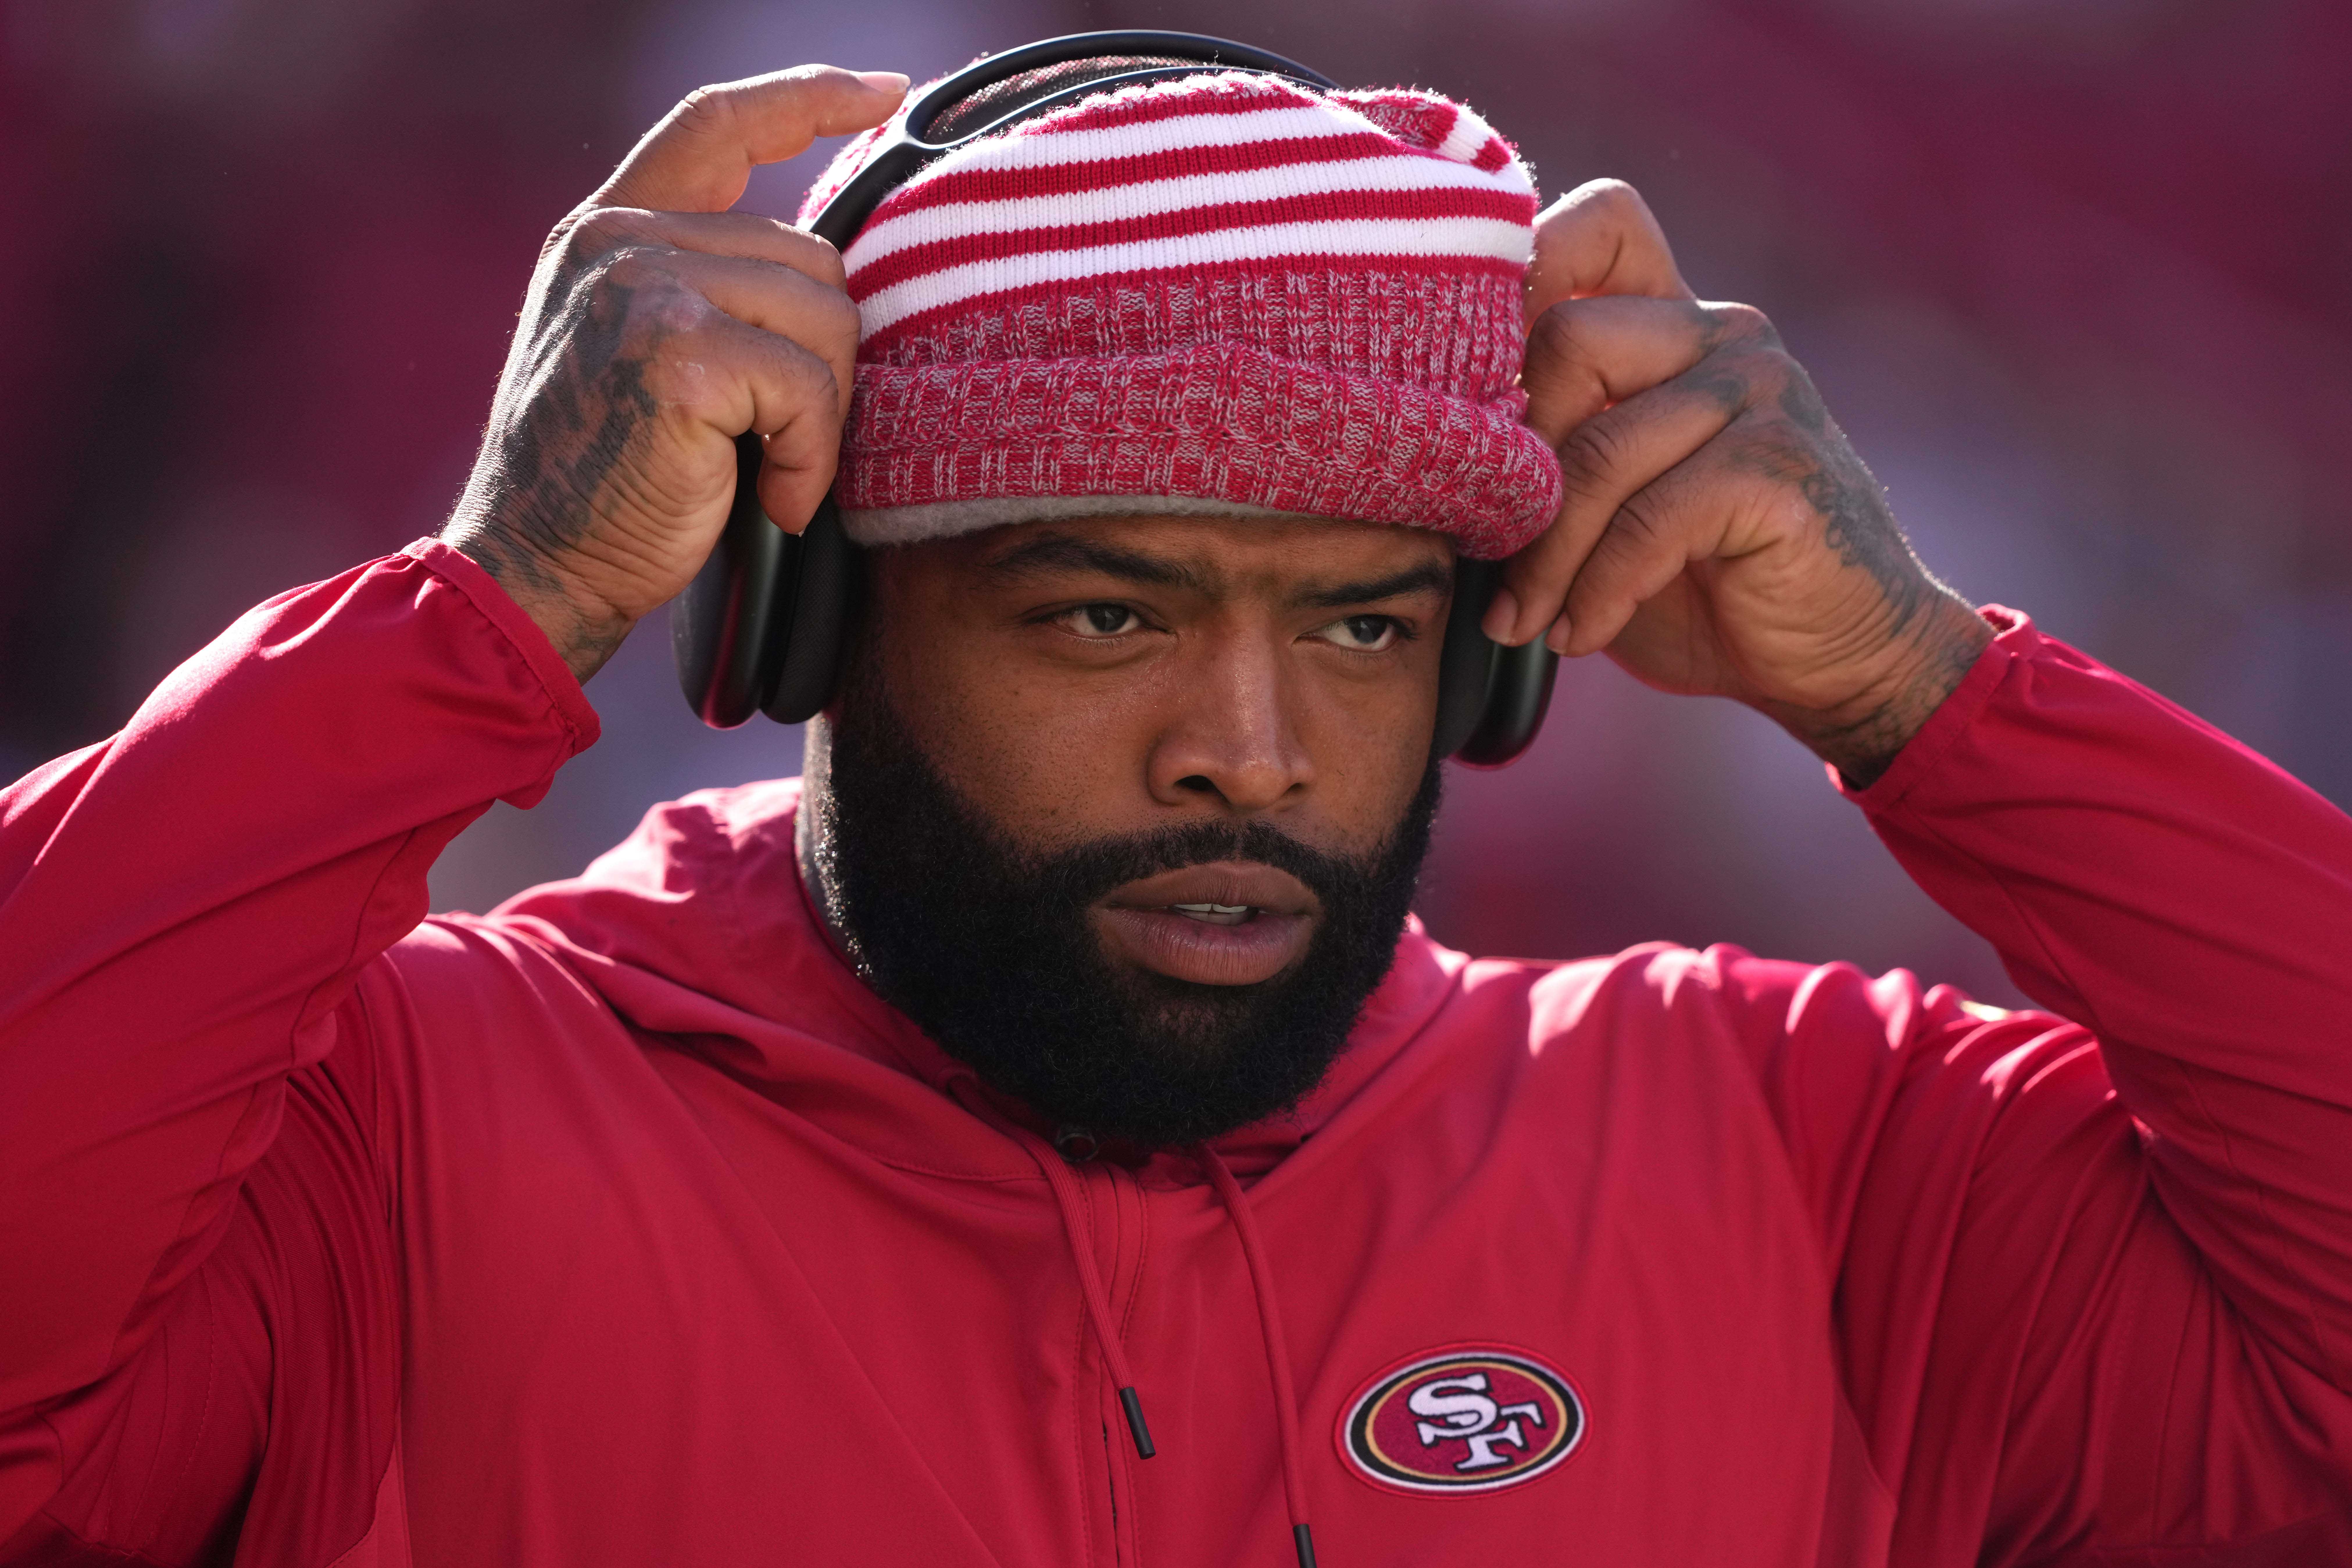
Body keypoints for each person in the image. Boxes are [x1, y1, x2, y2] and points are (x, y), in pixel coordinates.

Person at [3, 51, 2349, 1568]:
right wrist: (482, 614)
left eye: (1360, 628)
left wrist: (1931, 691)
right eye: (1103, 620)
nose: (1251, 747)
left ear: (1499, 643)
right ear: (808, 632)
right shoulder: (406, 1124)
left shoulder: (1807, 1148)